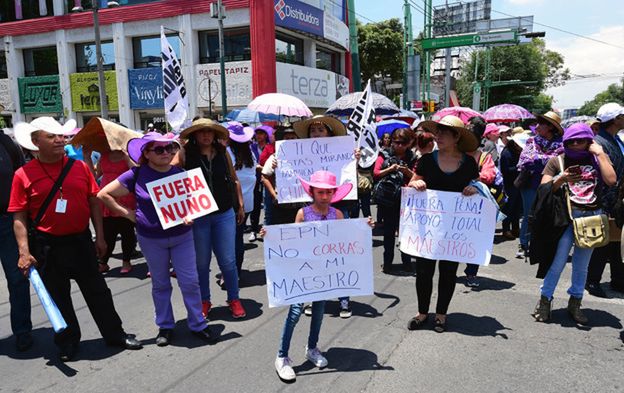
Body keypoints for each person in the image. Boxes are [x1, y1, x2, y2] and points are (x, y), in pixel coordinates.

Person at [9, 117, 142, 362]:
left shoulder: (79, 167)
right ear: (36, 141)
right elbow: (19, 215)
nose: (60, 140)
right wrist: (23, 251)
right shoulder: (23, 175)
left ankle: (115, 335)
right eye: (52, 136)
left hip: (81, 241)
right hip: (47, 245)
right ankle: (68, 342)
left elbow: (94, 201)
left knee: (98, 291)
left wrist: (100, 237)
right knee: (59, 297)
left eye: (62, 135)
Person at [98, 132, 218, 345]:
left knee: (190, 282)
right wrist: (127, 213)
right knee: (160, 284)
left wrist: (191, 214)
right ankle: (165, 325)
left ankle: (198, 323)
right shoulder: (135, 175)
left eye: (170, 148)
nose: (167, 153)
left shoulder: (182, 174)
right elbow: (104, 194)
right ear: (146, 153)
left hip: (182, 237)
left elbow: (195, 203)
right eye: (160, 149)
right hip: (151, 239)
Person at [268, 170, 372, 382]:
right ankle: (282, 356)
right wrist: (269, 236)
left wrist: (364, 228)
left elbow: (346, 240)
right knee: (295, 312)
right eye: (320, 192)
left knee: (319, 310)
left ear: (334, 193)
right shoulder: (303, 214)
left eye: (328, 192)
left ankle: (312, 347)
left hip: (324, 273)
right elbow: (291, 241)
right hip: (302, 272)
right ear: (312, 192)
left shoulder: (338, 214)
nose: (324, 196)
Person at [532, 123, 616, 323]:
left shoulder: (596, 159)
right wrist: (561, 179)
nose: (577, 144)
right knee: (557, 263)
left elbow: (611, 180)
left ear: (589, 141)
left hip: (591, 219)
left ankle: (575, 303)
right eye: (572, 141)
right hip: (565, 220)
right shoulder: (557, 161)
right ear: (566, 141)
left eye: (582, 140)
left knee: (582, 266)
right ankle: (545, 301)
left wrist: (601, 153)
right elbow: (543, 191)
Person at [407, 115, 480, 333]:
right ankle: (422, 313)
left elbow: (476, 186)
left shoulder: (468, 164)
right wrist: (416, 182)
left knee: (448, 273)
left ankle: (440, 315)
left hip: (454, 230)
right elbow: (412, 182)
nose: (438, 136)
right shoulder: (427, 160)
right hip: (427, 228)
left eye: (444, 133)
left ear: (456, 136)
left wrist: (473, 189)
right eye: (437, 132)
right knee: (423, 271)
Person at [173, 118, 247, 319]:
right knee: (201, 263)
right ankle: (204, 300)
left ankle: (234, 298)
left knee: (228, 260)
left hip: (224, 213)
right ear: (194, 135)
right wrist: (178, 148)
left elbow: (233, 178)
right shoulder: (186, 154)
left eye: (209, 132)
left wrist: (240, 204)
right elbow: (169, 175)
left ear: (215, 135)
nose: (206, 135)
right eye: (201, 132)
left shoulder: (223, 153)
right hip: (198, 216)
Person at [293, 115, 356, 318]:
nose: (316, 134)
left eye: (321, 130)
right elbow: (288, 173)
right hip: (313, 208)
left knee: (339, 255)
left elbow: (353, 173)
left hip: (336, 208)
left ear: (329, 132)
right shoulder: (299, 153)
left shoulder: (342, 152)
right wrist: (277, 164)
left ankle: (344, 300)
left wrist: (355, 157)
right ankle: (314, 296)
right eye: (313, 130)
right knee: (313, 255)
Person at [586, 103, 624, 297]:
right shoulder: (599, 142)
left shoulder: (615, 139)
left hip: (617, 199)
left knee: (617, 242)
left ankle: (618, 279)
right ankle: (592, 281)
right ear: (615, 119)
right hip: (605, 199)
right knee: (601, 242)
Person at [0, 129, 32, 352]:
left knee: (18, 278)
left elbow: (22, 179)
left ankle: (22, 331)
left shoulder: (7, 143)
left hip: (6, 221)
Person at [516, 111, 564, 258]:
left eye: (541, 123)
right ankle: (524, 244)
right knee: (529, 213)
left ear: (550, 127)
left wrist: (539, 160)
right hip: (529, 184)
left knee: (546, 214)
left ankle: (540, 244)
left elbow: (558, 162)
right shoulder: (531, 141)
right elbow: (525, 161)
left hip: (551, 184)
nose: (537, 126)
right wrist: (548, 161)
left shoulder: (561, 144)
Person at [85, 149, 137, 274]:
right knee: (107, 232)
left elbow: (137, 172)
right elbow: (94, 176)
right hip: (105, 197)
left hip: (125, 197)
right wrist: (87, 157)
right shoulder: (104, 155)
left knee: (127, 231)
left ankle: (126, 261)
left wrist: (127, 156)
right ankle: (103, 261)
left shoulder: (129, 155)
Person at [373, 127, 417, 274]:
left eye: (402, 143)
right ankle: (387, 263)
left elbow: (418, 177)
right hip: (388, 201)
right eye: (396, 142)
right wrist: (390, 169)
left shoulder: (412, 157)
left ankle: (407, 262)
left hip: (407, 201)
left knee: (406, 233)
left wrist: (407, 171)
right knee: (389, 233)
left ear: (408, 144)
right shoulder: (383, 155)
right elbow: (376, 173)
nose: (398, 146)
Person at [227, 122, 257, 278]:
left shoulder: (226, 153)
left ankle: (231, 273)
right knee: (237, 238)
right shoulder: (249, 153)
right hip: (247, 202)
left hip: (232, 203)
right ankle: (235, 271)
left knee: (229, 241)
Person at [261, 126, 302, 225]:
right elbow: (264, 177)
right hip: (281, 204)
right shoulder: (275, 157)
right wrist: (274, 195)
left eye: (293, 138)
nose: (290, 141)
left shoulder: (304, 156)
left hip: (301, 204)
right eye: (287, 138)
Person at [500, 132, 529, 240]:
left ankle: (515, 228)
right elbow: (505, 170)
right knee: (508, 208)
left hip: (518, 183)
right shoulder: (506, 153)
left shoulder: (517, 152)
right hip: (509, 184)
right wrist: (519, 167)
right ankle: (506, 229)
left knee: (517, 207)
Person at [248, 125, 273, 241]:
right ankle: (253, 230)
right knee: (255, 204)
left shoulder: (270, 147)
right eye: (257, 134)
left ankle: (266, 228)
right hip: (255, 179)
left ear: (266, 135)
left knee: (268, 205)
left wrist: (265, 168)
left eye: (261, 134)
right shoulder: (251, 147)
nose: (258, 136)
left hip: (268, 179)